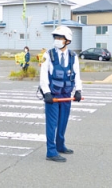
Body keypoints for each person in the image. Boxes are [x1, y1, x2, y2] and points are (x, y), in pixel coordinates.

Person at [39, 25, 82, 163]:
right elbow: (43, 75)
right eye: (55, 37)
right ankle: (51, 151)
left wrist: (79, 90)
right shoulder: (48, 55)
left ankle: (60, 145)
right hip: (53, 95)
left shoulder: (73, 56)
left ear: (67, 40)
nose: (57, 40)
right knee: (52, 124)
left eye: (60, 38)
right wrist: (46, 92)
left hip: (66, 94)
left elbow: (77, 75)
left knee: (63, 122)